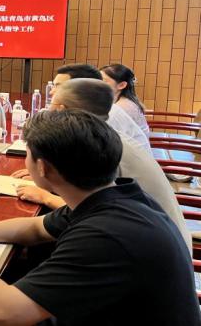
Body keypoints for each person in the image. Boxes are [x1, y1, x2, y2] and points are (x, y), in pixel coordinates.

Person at [0, 110, 199, 326]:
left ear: (42, 168)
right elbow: (35, 227)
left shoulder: (106, 235)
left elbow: (6, 311)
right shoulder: (110, 196)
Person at [14, 78, 191, 251]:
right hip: (159, 235)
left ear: (62, 111)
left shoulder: (99, 148)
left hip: (152, 246)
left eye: (51, 106)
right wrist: (54, 172)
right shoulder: (104, 136)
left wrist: (46, 196)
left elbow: (94, 210)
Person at [51, 63, 150, 152]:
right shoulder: (92, 107)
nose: (51, 92)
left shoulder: (107, 112)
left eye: (59, 86)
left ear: (83, 87)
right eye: (53, 86)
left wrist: (53, 110)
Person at [101, 63, 150, 135]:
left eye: (104, 80)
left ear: (122, 85)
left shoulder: (123, 106)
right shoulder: (118, 101)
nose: (97, 83)